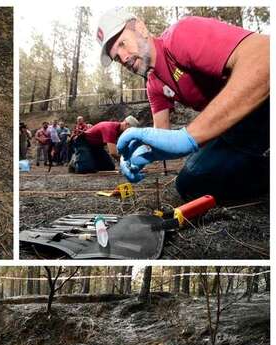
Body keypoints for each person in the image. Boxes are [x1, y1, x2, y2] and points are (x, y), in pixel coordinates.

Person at [97, 9, 269, 201]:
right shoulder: (153, 85)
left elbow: (266, 56)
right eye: (116, 57)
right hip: (237, 127)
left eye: (122, 43)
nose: (124, 58)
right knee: (190, 184)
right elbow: (162, 135)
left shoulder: (180, 35)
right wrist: (143, 152)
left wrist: (188, 137)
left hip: (264, 105)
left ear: (141, 28)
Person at [70, 116, 140, 173]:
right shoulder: (110, 129)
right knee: (84, 169)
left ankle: (90, 160)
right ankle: (74, 162)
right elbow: (113, 153)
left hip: (97, 146)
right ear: (126, 124)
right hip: (83, 142)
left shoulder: (120, 131)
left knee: (109, 167)